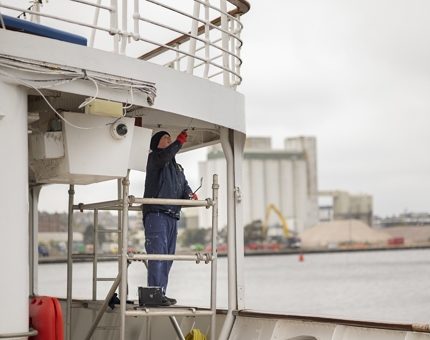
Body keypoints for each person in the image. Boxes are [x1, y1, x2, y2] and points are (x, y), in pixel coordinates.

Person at [142, 130, 197, 306]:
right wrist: (179, 143)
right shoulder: (154, 159)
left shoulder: (177, 168)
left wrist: (189, 194)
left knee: (167, 257)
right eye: (167, 139)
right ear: (157, 144)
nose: (171, 141)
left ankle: (161, 293)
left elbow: (184, 185)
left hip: (172, 216)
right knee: (157, 256)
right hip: (157, 214)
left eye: (171, 139)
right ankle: (155, 296)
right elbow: (165, 155)